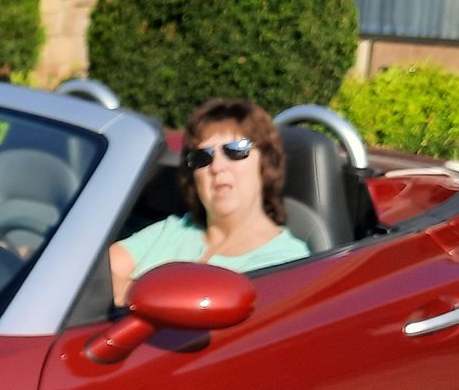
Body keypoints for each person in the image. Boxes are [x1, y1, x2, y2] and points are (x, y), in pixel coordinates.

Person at [110, 97, 309, 306]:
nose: (217, 167)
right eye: (202, 157)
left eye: (235, 150)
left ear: (266, 162)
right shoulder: (174, 229)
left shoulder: (287, 261)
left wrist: (132, 291)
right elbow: (94, 274)